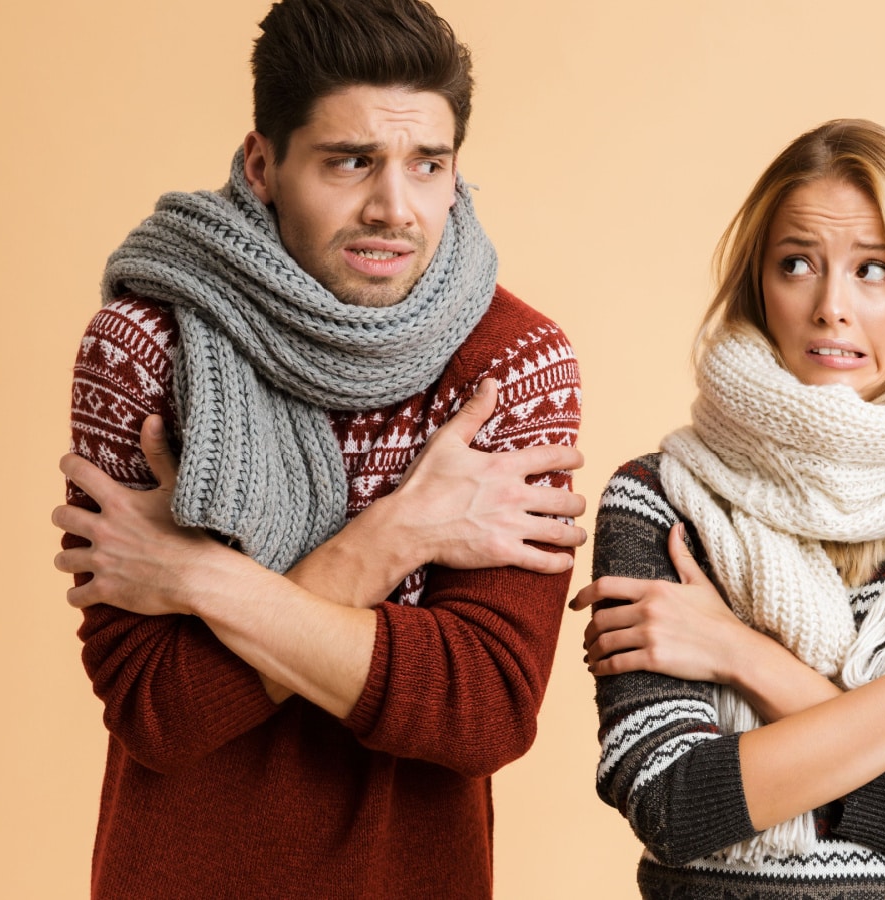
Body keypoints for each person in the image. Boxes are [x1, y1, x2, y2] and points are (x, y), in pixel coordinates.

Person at [49, 1, 584, 896]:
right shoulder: (145, 345)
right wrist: (396, 538)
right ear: (263, 164)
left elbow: (485, 710)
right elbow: (159, 709)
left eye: (428, 165)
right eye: (350, 161)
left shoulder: (512, 362)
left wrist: (197, 579)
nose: (395, 208)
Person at [570, 119, 885, 899]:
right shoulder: (661, 497)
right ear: (758, 284)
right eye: (798, 263)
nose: (831, 307)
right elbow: (674, 806)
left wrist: (742, 657)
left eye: (874, 269)